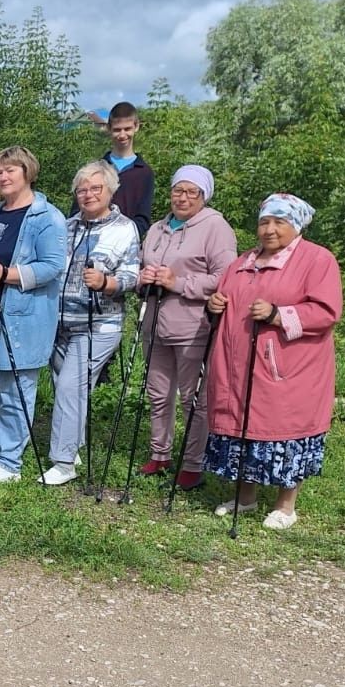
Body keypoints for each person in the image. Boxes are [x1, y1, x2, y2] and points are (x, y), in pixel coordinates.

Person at [204, 194, 342, 529]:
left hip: (289, 369)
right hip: (237, 365)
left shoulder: (317, 260)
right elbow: (228, 298)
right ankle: (245, 497)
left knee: (287, 431)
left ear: (296, 226)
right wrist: (215, 305)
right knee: (242, 428)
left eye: (279, 222)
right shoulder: (243, 261)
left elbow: (326, 311)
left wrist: (278, 315)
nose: (269, 229)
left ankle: (285, 506)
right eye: (264, 222)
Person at [0, 146, 68, 483]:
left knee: (16, 390)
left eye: (11, 170)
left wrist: (7, 274)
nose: (3, 176)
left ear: (28, 172)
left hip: (23, 317)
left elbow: (52, 265)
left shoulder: (46, 216)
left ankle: (10, 462)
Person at [41, 160, 141, 485]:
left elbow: (132, 275)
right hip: (58, 323)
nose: (88, 194)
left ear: (110, 190)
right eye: (82, 189)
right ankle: (74, 444)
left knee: (70, 387)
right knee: (67, 386)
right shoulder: (66, 226)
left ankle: (63, 462)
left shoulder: (124, 228)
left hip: (99, 324)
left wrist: (105, 282)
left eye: (95, 188)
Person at [138, 164, 237, 490]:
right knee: (157, 393)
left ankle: (193, 464)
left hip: (193, 326)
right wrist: (143, 278)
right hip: (154, 323)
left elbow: (226, 278)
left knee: (193, 399)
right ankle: (160, 454)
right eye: (177, 190)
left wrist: (178, 282)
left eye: (191, 192)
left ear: (203, 196)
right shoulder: (157, 228)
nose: (182, 197)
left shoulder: (215, 227)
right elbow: (140, 266)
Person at [104, 102, 155, 237]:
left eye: (127, 129)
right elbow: (79, 212)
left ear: (136, 126)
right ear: (109, 128)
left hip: (127, 242)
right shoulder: (97, 169)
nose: (122, 135)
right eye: (117, 129)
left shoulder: (144, 173)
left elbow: (143, 219)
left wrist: (122, 237)